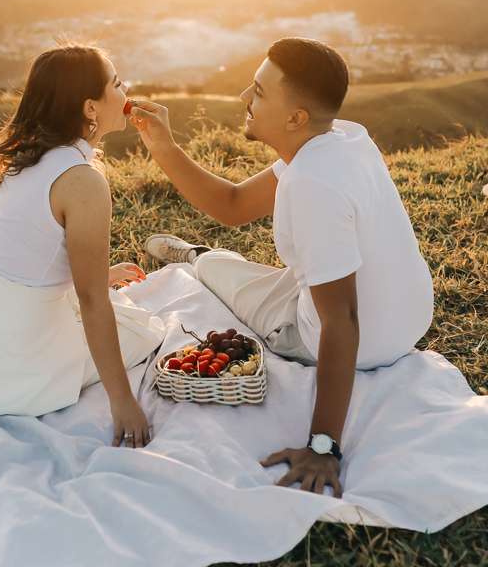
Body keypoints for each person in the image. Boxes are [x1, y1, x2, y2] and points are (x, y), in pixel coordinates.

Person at [128, 37, 434, 494]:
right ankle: (208, 259)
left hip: (362, 339)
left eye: (260, 92)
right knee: (290, 278)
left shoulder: (313, 185)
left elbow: (342, 322)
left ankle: (198, 258)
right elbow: (232, 206)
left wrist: (324, 445)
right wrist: (164, 146)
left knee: (224, 278)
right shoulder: (343, 137)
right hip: (409, 314)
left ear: (296, 118)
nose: (244, 98)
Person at [0, 43, 165, 447]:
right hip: (12, 361)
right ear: (90, 108)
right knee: (144, 330)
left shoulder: (31, 152)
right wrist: (123, 400)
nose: (126, 91)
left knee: (117, 312)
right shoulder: (83, 180)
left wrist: (102, 274)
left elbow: (27, 244)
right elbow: (93, 300)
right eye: (116, 83)